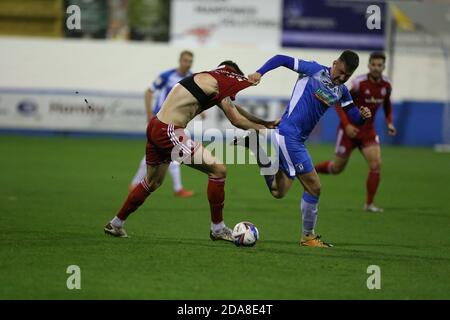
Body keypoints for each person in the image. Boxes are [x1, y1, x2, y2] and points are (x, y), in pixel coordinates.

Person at [105, 61, 278, 240]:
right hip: (169, 130)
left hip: (157, 125)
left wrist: (265, 122)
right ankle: (217, 228)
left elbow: (237, 110)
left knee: (153, 182)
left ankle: (116, 224)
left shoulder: (208, 79)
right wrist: (265, 131)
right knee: (218, 170)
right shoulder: (218, 84)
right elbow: (237, 120)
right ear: (231, 74)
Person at [244, 51, 372, 247]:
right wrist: (259, 73)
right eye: (341, 72)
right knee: (314, 186)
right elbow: (281, 59)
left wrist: (362, 115)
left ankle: (255, 146)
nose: (342, 78)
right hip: (289, 136)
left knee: (279, 192)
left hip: (295, 140)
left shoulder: (342, 90)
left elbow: (353, 115)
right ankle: (308, 237)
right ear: (335, 63)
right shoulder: (314, 70)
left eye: (347, 76)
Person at [315, 52, 395, 212]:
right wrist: (346, 125)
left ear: (383, 67)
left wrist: (389, 122)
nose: (376, 68)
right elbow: (339, 101)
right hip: (348, 130)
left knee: (376, 164)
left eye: (380, 65)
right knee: (337, 168)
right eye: (374, 64)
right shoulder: (358, 83)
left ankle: (369, 204)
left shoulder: (386, 86)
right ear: (369, 65)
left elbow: (387, 105)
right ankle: (310, 170)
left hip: (368, 131)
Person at [130, 50, 197, 198]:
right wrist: (149, 114)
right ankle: (178, 189)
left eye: (190, 61)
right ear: (180, 60)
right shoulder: (166, 76)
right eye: (185, 60)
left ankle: (135, 184)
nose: (187, 63)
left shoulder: (191, 78)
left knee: (159, 153)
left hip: (175, 122)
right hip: (160, 121)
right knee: (173, 153)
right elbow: (148, 92)